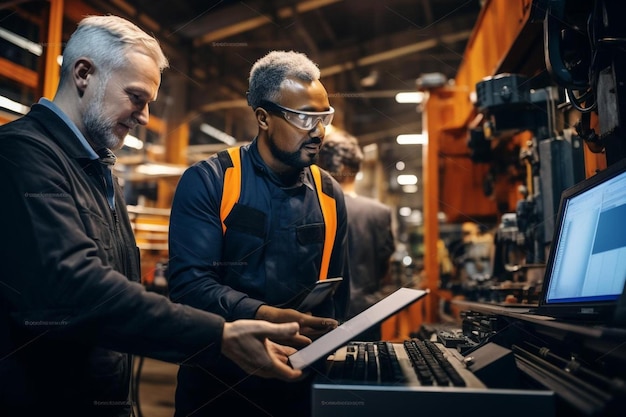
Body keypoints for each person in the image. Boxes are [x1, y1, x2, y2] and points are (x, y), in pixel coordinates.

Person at [0, 16, 307, 417]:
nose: (144, 117)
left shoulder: (97, 170)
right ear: (83, 74)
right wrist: (219, 335)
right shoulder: (21, 155)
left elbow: (120, 290)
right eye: (136, 97)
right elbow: (75, 289)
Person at [167, 50, 351, 417]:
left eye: (324, 117)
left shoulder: (328, 193)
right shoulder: (212, 181)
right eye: (304, 118)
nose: (318, 132)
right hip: (218, 388)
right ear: (264, 118)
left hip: (300, 387)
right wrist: (267, 315)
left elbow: (337, 294)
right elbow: (190, 286)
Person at [317, 128, 396, 340]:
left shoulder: (314, 208)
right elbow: (384, 269)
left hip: (321, 316)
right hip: (367, 314)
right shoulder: (379, 213)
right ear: (357, 168)